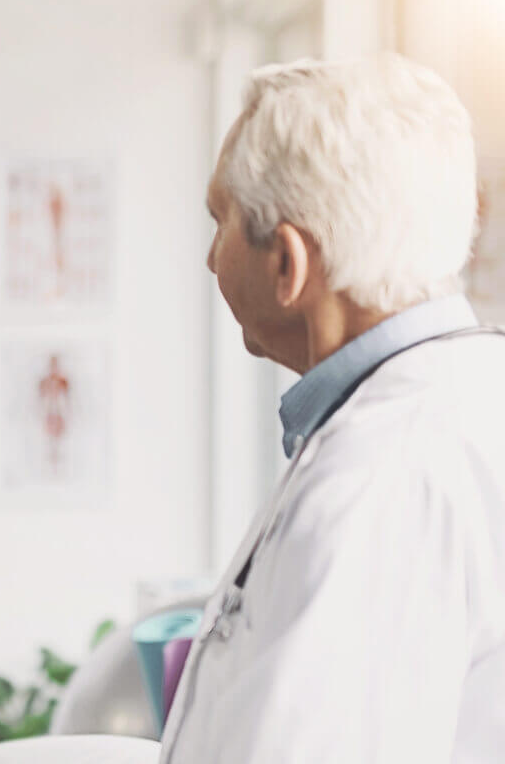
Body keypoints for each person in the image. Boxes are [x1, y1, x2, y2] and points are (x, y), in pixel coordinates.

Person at [162, 54, 505, 763]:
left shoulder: (381, 474)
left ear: (287, 263)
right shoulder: (466, 396)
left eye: (218, 220)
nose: (208, 258)